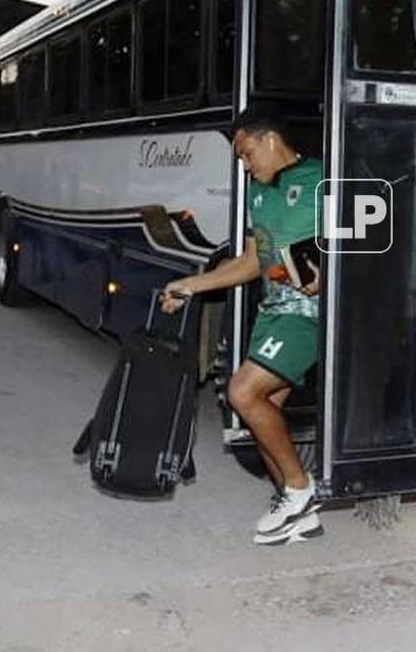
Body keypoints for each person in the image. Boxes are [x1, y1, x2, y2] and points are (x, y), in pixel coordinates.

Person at [160, 107, 323, 546]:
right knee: (261, 412)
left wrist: (329, 271)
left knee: (243, 392)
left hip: (307, 315)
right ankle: (299, 513)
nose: (245, 165)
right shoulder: (258, 192)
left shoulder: (324, 179)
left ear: (270, 140)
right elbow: (252, 261)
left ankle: (299, 490)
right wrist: (190, 285)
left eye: (248, 153)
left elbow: (366, 244)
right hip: (273, 312)